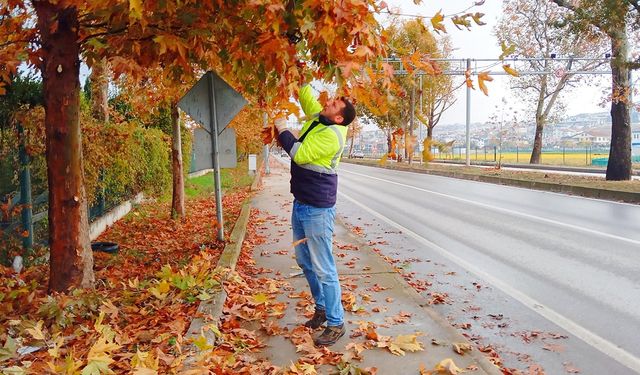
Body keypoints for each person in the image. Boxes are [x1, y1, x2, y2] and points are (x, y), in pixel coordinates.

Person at [275, 85, 356, 347]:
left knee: (323, 267)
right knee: (304, 260)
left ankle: (336, 322)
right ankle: (321, 308)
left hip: (317, 209)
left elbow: (299, 154)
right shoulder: (320, 118)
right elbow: (307, 96)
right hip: (301, 203)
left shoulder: (333, 135)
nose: (327, 103)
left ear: (339, 118)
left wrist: (281, 127)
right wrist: (296, 72)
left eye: (332, 104)